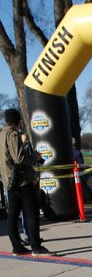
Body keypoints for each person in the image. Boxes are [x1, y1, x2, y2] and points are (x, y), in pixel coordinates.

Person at [0, 108, 50, 256]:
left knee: (13, 216)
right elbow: (19, 159)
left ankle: (17, 247)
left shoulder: (1, 134)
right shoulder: (13, 134)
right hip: (21, 181)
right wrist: (34, 157)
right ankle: (36, 246)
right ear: (17, 121)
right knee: (32, 214)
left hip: (8, 181)